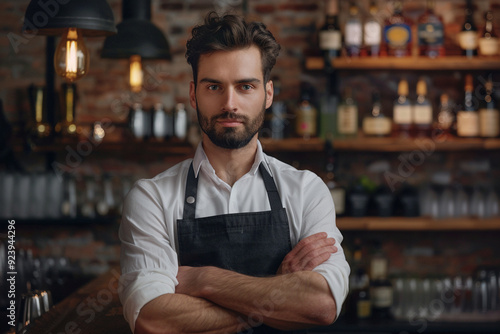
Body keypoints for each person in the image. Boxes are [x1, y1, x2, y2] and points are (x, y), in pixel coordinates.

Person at [119, 11, 350, 334]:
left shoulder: (306, 190)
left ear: (267, 94)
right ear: (193, 94)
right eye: (214, 87)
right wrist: (277, 292)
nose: (230, 104)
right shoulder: (152, 198)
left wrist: (203, 280)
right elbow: (154, 319)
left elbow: (321, 304)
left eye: (245, 86)